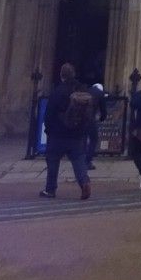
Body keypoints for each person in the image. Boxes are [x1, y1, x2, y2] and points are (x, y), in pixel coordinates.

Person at [39, 62, 92, 201]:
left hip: (58, 134)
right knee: (78, 159)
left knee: (53, 161)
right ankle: (84, 182)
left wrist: (48, 129)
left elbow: (49, 114)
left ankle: (50, 189)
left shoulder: (58, 91)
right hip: (77, 133)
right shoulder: (82, 90)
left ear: (61, 76)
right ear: (74, 74)